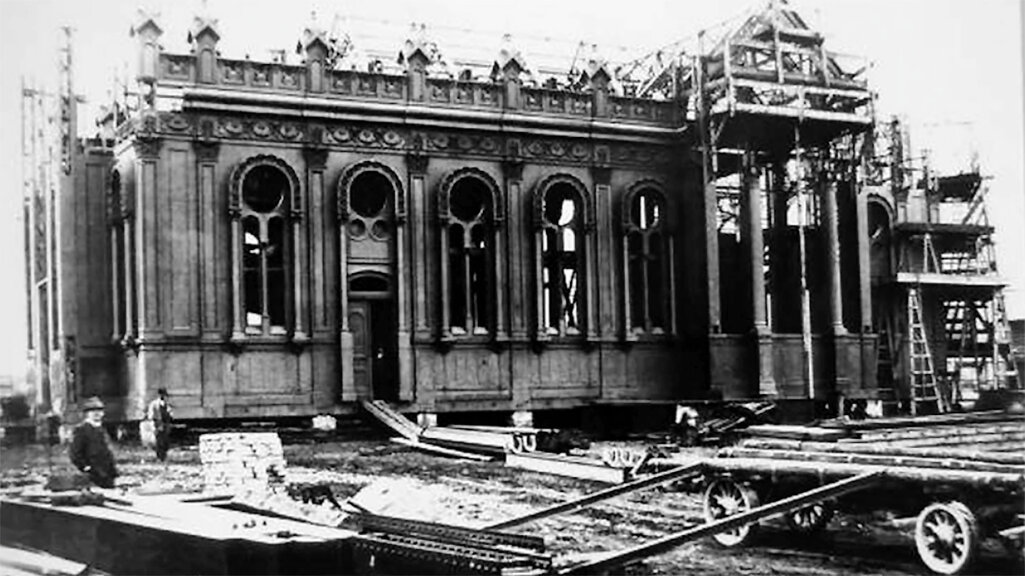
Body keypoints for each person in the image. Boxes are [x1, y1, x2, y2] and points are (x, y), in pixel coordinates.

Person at [69, 397, 117, 488]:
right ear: (87, 414)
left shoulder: (102, 430)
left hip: (106, 474)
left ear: (103, 413)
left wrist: (113, 471)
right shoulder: (81, 430)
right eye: (92, 411)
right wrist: (86, 467)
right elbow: (75, 453)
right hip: (92, 475)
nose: (97, 413)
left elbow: (108, 452)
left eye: (99, 411)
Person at [146, 388, 173, 462]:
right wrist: (154, 425)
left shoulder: (166, 404)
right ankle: (160, 457)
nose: (164, 396)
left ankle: (164, 456)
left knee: (165, 442)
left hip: (165, 424)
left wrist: (169, 415)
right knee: (159, 442)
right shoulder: (154, 404)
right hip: (158, 424)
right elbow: (151, 416)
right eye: (163, 395)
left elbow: (170, 414)